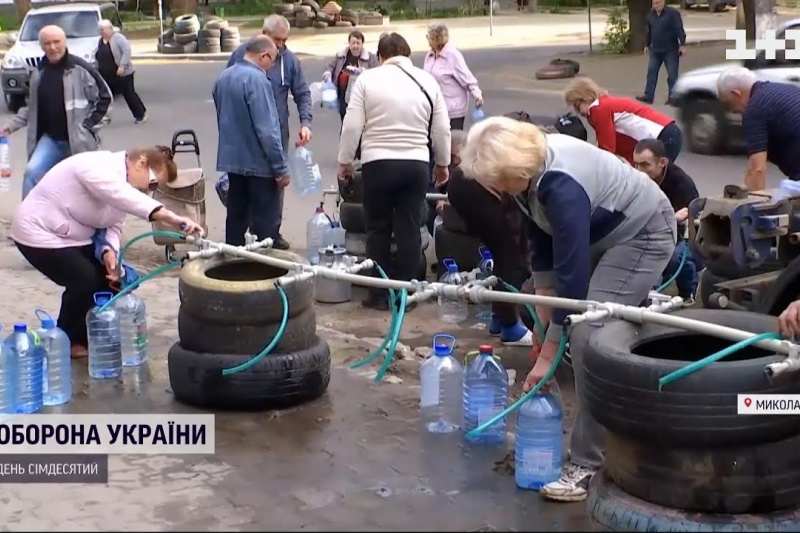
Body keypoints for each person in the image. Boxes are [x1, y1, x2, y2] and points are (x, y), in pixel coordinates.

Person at [459, 116, 676, 502]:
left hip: (642, 233)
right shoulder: (530, 177)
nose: (493, 189)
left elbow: (572, 284)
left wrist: (548, 355)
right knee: (547, 310)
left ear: (515, 169)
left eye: (496, 180)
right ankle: (626, 400)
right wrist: (544, 320)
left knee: (588, 333)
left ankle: (589, 464)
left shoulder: (561, 184)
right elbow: (543, 244)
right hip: (602, 233)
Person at [11, 146, 202, 360]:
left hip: (72, 235)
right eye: (153, 183)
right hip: (38, 231)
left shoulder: (129, 188)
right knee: (84, 279)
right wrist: (171, 217)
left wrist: (109, 253)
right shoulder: (98, 167)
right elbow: (121, 196)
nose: (150, 190)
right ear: (141, 163)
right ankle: (66, 339)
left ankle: (92, 333)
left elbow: (113, 226)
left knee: (112, 280)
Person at [338, 32, 450, 311]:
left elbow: (352, 125)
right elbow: (442, 129)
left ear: (381, 56)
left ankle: (378, 293)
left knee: (377, 229)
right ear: (408, 54)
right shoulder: (427, 80)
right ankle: (406, 295)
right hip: (415, 164)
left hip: (378, 163)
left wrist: (345, 160)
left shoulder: (367, 79)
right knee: (409, 227)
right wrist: (443, 164)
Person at [227, 15, 312, 250]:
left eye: (285, 40)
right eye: (277, 39)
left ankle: (270, 232)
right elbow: (228, 87)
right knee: (243, 183)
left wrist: (305, 122)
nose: (281, 45)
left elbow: (302, 93)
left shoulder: (289, 60)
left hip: (276, 131)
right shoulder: (241, 55)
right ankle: (243, 234)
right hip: (246, 132)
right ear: (263, 33)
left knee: (276, 181)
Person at [1, 25, 111, 199]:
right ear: (42, 46)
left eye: (56, 42)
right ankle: (29, 219)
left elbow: (105, 98)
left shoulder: (81, 68)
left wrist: (88, 125)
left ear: (64, 42)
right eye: (47, 43)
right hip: (51, 140)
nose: (52, 47)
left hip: (79, 142)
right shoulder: (39, 72)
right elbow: (32, 108)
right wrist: (11, 125)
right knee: (32, 173)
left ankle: (94, 224)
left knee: (86, 188)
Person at [214, 35, 289, 248]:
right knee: (265, 224)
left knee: (236, 218)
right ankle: (264, 271)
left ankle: (233, 266)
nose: (272, 65)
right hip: (259, 165)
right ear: (263, 56)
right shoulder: (257, 80)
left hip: (232, 162)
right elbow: (267, 130)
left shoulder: (224, 77)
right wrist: (280, 168)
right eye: (272, 60)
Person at [633, 138, 702, 302]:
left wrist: (670, 218)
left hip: (688, 238)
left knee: (672, 257)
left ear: (662, 162)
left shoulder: (681, 184)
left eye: (645, 165)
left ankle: (688, 293)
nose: (638, 170)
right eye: (636, 164)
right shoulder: (637, 180)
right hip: (656, 232)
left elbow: (686, 224)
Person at [716, 67, 800, 191]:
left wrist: (751, 205)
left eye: (728, 103)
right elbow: (753, 165)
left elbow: (757, 169)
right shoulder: (785, 90)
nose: (733, 110)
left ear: (736, 93)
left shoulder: (754, 109)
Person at [564, 77, 681, 164]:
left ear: (584, 97)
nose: (577, 111)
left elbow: (607, 150)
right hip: (668, 133)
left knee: (657, 179)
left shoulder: (598, 109)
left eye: (576, 105)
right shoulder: (604, 104)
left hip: (663, 135)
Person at [423, 22, 483, 130]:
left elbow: (467, 77)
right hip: (435, 109)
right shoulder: (430, 54)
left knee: (453, 144)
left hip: (452, 111)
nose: (427, 39)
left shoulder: (453, 55)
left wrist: (477, 94)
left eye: (429, 37)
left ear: (437, 39)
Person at [322, 30, 380, 124]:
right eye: (353, 43)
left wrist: (363, 72)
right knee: (345, 122)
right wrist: (328, 74)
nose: (355, 46)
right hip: (343, 96)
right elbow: (330, 66)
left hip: (361, 97)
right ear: (349, 43)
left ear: (362, 44)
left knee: (359, 124)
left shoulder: (370, 58)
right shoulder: (341, 56)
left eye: (358, 43)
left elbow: (378, 71)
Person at [95, 20, 147, 124]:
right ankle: (104, 116)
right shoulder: (101, 40)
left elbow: (127, 51)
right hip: (106, 74)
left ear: (110, 28)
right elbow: (98, 54)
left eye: (103, 29)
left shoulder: (118, 38)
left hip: (123, 73)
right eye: (100, 30)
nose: (101, 32)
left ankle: (140, 114)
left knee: (129, 94)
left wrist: (122, 66)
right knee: (105, 96)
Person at [637, 0, 686, 106]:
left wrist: (682, 44)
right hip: (655, 50)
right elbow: (648, 31)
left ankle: (673, 98)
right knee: (651, 72)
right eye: (654, 3)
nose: (656, 5)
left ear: (663, 2)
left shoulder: (672, 14)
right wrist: (646, 45)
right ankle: (649, 96)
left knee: (672, 75)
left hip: (670, 50)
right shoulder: (650, 15)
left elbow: (679, 29)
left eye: (658, 3)